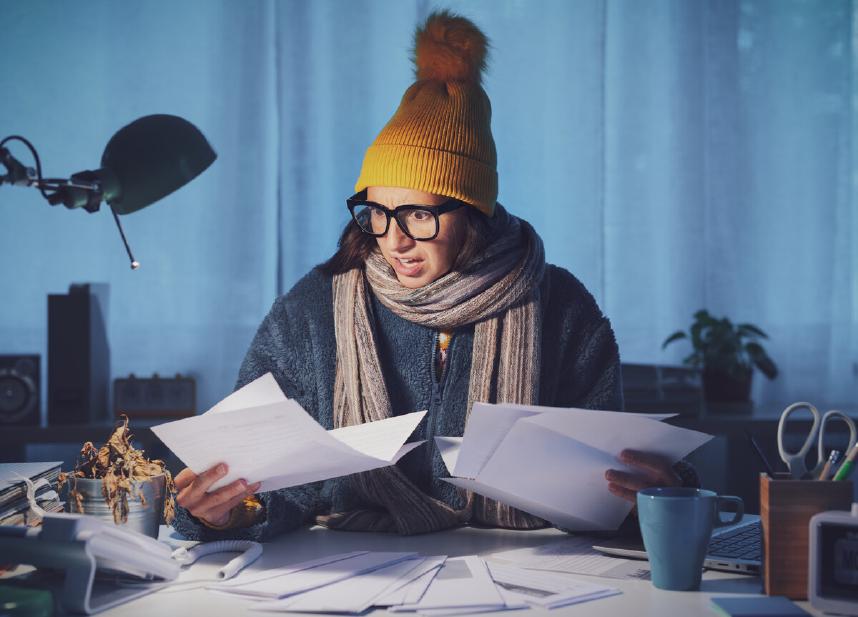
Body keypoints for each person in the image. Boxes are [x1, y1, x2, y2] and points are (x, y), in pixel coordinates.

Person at [172, 10, 696, 541]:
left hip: (528, 569)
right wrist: (225, 509)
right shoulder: (315, 306)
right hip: (355, 567)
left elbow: (611, 481)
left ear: (472, 213)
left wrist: (651, 496)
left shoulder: (560, 305)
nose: (393, 239)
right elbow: (273, 486)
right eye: (375, 212)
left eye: (419, 215)